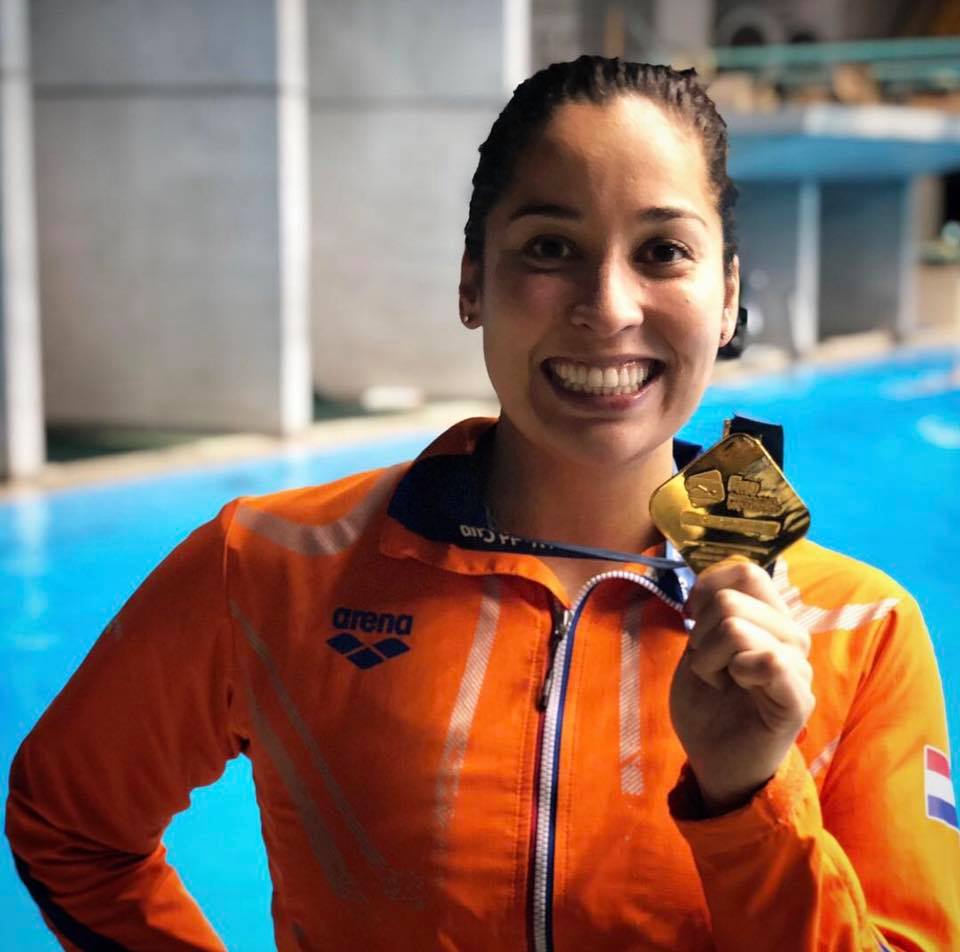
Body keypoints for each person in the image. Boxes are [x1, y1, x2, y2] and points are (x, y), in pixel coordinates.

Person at [6, 55, 959, 951]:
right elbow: (70, 824)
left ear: (726, 298)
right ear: (473, 282)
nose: (608, 306)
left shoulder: (858, 630)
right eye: (550, 247)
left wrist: (749, 794)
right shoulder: (271, 567)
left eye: (664, 251)